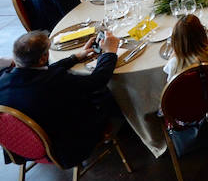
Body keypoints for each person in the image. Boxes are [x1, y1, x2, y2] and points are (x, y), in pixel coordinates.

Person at [0, 29, 122, 169]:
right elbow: (97, 81)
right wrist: (110, 52)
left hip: (22, 147)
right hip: (66, 148)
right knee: (105, 95)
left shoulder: (4, 78)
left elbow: (39, 73)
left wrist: (74, 58)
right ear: (43, 58)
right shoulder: (56, 83)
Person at [163, 13, 208, 87]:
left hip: (191, 97)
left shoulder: (174, 64)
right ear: (202, 33)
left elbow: (171, 83)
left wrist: (176, 50)